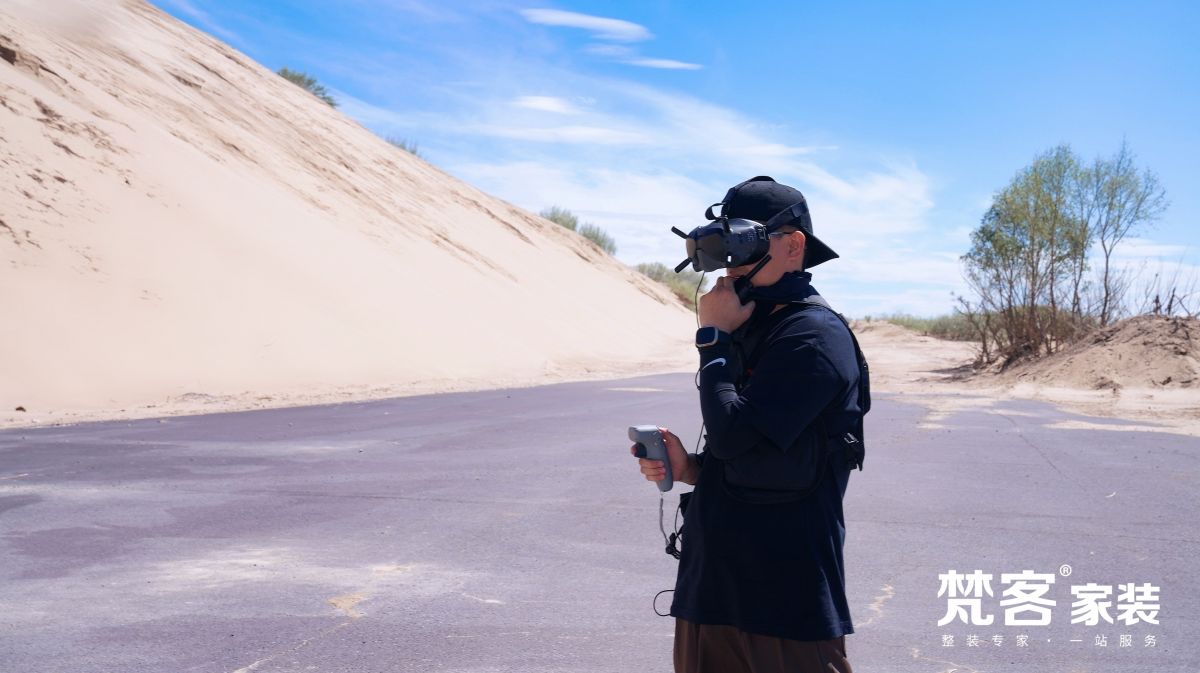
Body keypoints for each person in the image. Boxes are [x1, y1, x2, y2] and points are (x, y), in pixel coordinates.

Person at [631, 176, 861, 673]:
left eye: (744, 242)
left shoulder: (813, 335)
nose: (731, 262)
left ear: (793, 245)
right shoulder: (748, 324)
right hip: (711, 593)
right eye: (723, 245)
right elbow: (752, 450)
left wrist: (713, 340)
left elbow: (735, 435)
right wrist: (691, 468)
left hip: (784, 603)